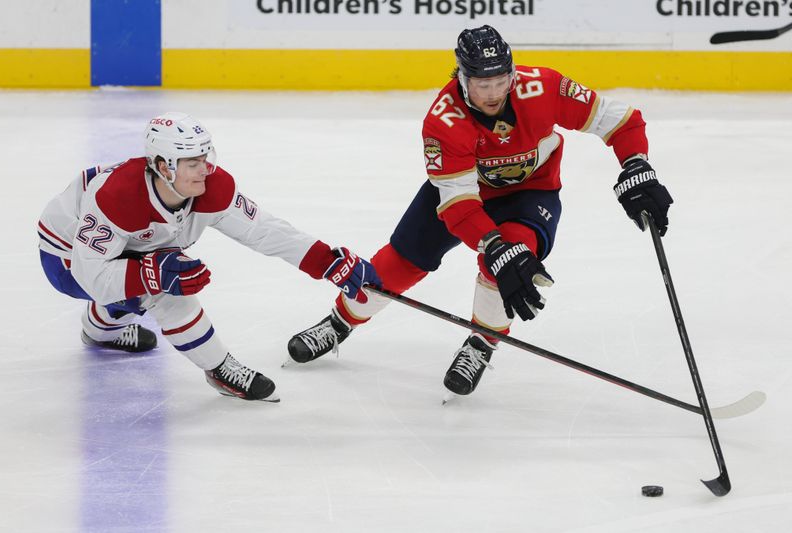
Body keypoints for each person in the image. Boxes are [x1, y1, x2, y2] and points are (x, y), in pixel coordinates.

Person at [287, 25, 673, 398]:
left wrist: (636, 163)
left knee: (513, 258)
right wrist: (492, 243)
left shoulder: (544, 87)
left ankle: (481, 343)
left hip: (531, 193)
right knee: (399, 265)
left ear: (512, 72)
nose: (493, 93)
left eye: (501, 81)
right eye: (482, 84)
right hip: (465, 196)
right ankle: (339, 322)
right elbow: (458, 204)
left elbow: (619, 121)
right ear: (462, 78)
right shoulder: (444, 119)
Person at [37, 112, 380, 402]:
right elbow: (90, 276)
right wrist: (150, 275)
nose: (205, 170)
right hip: (67, 257)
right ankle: (219, 369)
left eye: (205, 158)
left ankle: (99, 329)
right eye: (192, 162)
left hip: (127, 249)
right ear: (161, 166)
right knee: (168, 292)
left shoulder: (211, 187)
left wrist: (325, 261)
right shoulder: (117, 197)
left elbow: (263, 230)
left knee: (157, 275)